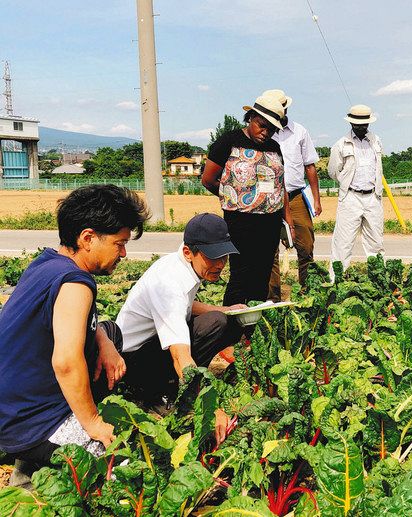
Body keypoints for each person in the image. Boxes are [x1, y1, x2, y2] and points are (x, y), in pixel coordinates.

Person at [0, 185, 149, 483]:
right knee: (123, 471)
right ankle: (30, 465)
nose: (123, 253)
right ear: (88, 238)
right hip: (26, 420)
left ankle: (37, 456)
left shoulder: (49, 263)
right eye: (119, 244)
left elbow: (73, 326)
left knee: (110, 332)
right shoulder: (75, 283)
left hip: (13, 402)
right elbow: (66, 362)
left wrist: (104, 342)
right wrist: (92, 422)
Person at [116, 213, 244, 421]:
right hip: (133, 362)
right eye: (213, 257)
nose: (221, 264)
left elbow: (185, 305)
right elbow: (180, 355)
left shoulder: (182, 266)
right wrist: (208, 406)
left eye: (224, 256)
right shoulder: (169, 283)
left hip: (150, 347)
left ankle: (176, 386)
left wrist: (226, 309)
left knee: (217, 319)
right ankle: (161, 394)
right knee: (212, 325)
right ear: (188, 252)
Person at [202, 95, 295, 306]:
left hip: (270, 222)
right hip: (239, 221)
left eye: (271, 130)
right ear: (251, 117)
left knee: (262, 276)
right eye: (262, 126)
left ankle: (254, 328)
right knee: (240, 275)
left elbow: (281, 187)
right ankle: (232, 326)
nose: (265, 133)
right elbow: (208, 180)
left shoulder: (274, 148)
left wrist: (287, 218)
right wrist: (233, 196)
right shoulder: (229, 141)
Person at [263, 89, 322, 299]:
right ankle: (273, 299)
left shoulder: (299, 132)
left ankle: (307, 294)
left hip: (295, 196)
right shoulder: (263, 132)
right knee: (270, 252)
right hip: (268, 199)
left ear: (286, 108)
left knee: (305, 246)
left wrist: (316, 198)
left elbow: (310, 166)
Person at [328, 104, 384, 280]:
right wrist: (346, 182)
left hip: (373, 197)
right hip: (350, 197)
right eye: (357, 124)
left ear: (369, 123)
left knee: (376, 243)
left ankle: (378, 282)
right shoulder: (341, 144)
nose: (361, 127)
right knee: (342, 244)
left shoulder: (376, 141)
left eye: (364, 124)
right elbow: (333, 172)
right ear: (351, 123)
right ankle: (336, 283)